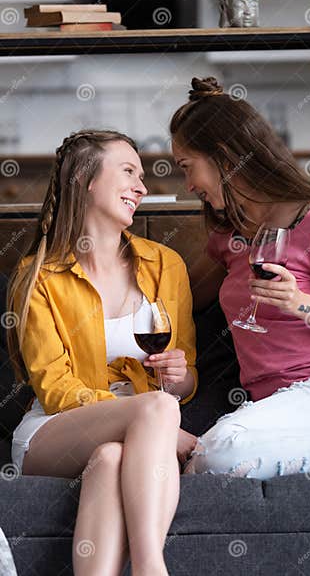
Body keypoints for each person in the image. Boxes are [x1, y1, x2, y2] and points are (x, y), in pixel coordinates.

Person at [169, 76, 310, 481]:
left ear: (224, 158)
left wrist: (299, 304)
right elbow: (180, 297)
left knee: (215, 456)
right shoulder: (230, 237)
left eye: (188, 167)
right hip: (271, 408)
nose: (188, 185)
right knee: (205, 464)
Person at [6, 129, 198, 576]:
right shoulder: (38, 276)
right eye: (129, 171)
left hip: (138, 432)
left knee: (112, 456)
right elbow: (55, 392)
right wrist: (154, 418)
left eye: (142, 176)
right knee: (156, 408)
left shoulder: (166, 266)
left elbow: (186, 384)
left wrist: (177, 375)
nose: (142, 187)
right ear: (84, 179)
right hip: (53, 432)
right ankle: (152, 568)